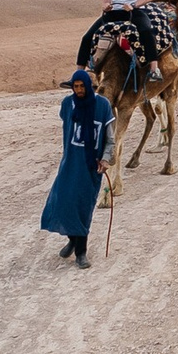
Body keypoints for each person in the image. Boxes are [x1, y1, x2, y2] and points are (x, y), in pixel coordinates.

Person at [40, 68, 115, 268]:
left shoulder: (103, 106)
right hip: (69, 164)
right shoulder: (68, 104)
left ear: (92, 87)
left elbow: (110, 139)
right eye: (76, 86)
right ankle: (72, 240)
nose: (80, 90)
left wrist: (106, 159)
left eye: (83, 86)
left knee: (83, 208)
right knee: (64, 202)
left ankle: (81, 252)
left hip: (91, 168)